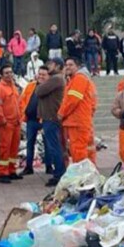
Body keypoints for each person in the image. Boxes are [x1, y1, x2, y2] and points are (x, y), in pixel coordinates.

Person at [57, 57, 97, 164]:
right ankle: (89, 173)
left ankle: (81, 175)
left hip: (77, 122)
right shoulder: (80, 79)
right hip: (81, 120)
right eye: (66, 65)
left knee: (78, 151)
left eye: (71, 65)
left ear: (77, 66)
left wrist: (61, 114)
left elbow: (72, 100)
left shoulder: (79, 79)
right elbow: (92, 103)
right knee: (86, 149)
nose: (68, 67)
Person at [36, 58, 67, 186]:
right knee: (55, 146)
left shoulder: (56, 79)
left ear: (58, 66)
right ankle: (59, 172)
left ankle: (59, 174)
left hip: (51, 118)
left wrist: (41, 83)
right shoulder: (56, 79)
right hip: (50, 117)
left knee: (55, 147)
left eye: (52, 64)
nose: (49, 66)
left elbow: (39, 91)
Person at [0, 64, 22, 183]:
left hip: (16, 122)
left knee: (14, 148)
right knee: (5, 148)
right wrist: (2, 120)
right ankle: (2, 172)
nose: (9, 75)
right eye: (6, 73)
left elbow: (18, 103)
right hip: (6, 123)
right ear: (1, 75)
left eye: (10, 72)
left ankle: (11, 170)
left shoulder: (14, 86)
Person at [20, 66, 47, 175]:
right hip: (31, 120)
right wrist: (24, 113)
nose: (41, 76)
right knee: (29, 144)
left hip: (44, 120)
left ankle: (49, 166)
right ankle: (28, 167)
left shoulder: (49, 87)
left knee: (47, 145)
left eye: (43, 75)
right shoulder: (30, 86)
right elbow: (23, 100)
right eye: (39, 74)